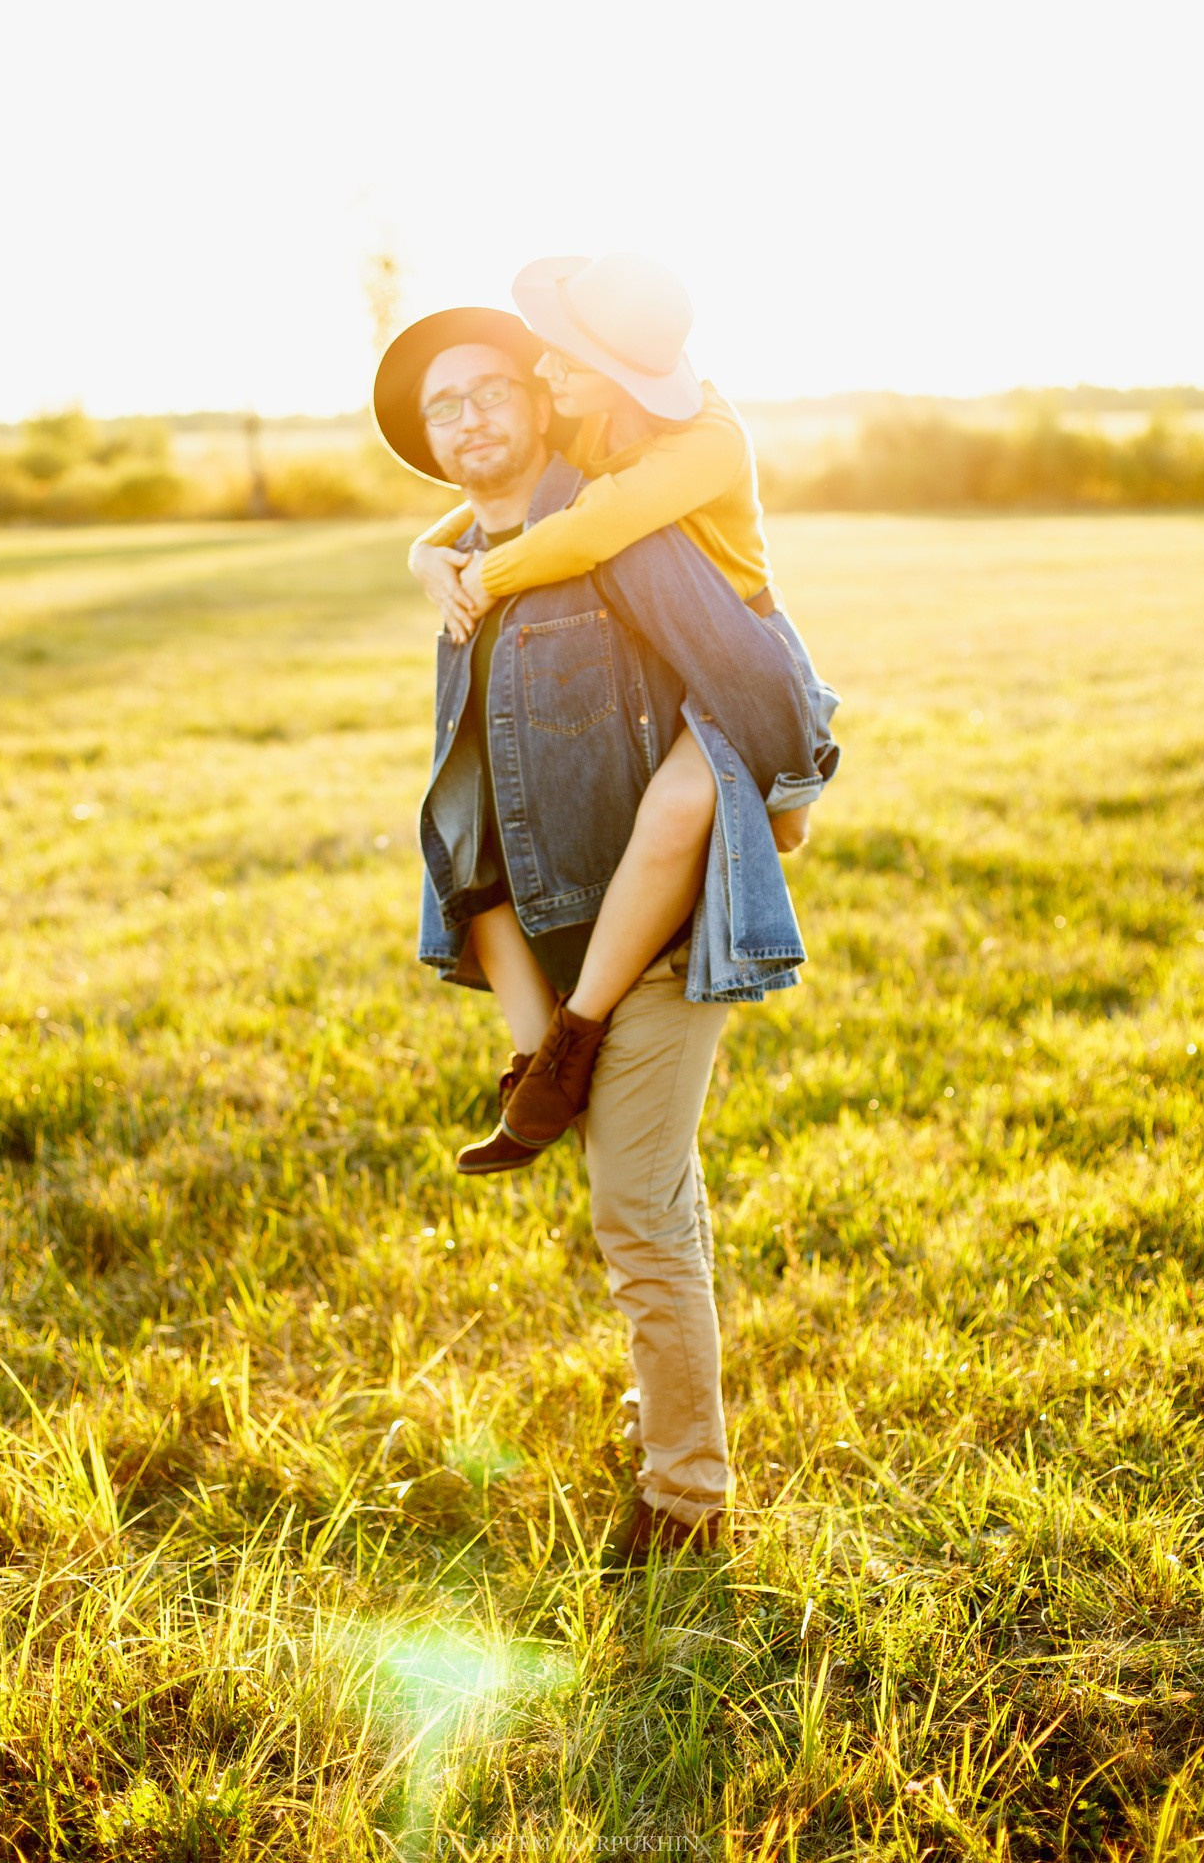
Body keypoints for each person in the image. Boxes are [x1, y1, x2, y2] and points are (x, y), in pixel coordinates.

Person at [373, 306, 837, 1568]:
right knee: (633, 1198)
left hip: (671, 925)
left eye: (484, 390)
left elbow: (746, 701)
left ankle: (684, 1495)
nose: (466, 418)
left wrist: (788, 793)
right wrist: (535, 1040)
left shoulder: (636, 527)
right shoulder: (465, 570)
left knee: (634, 1209)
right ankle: (666, 1408)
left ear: (537, 394)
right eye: (439, 410)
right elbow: (461, 807)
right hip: (552, 936)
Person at [406, 256, 839, 1172]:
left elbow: (589, 528)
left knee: (715, 815)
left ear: (621, 370)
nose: (545, 377)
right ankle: (549, 1062)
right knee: (472, 831)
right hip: (665, 651)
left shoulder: (708, 440)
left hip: (735, 649)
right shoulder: (597, 416)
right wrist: (425, 550)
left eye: (560, 362)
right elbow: (512, 497)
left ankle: (579, 1032)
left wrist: (477, 578)